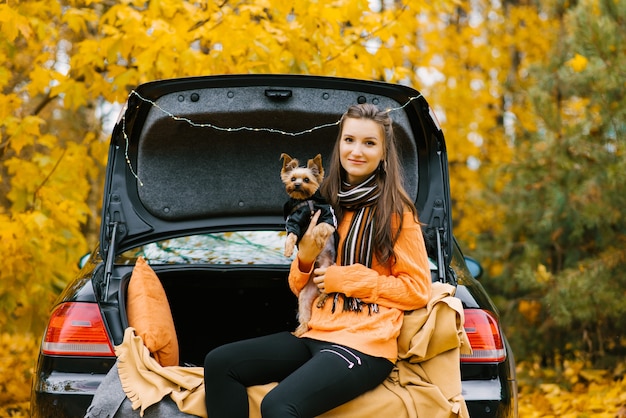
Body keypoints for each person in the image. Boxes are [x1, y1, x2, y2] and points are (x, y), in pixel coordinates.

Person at [203, 103, 432, 418]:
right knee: (220, 363)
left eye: (369, 143)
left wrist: (347, 280)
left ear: (384, 153)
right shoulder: (324, 205)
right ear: (339, 145)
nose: (356, 150)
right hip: (317, 332)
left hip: (364, 345)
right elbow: (300, 287)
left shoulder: (396, 213)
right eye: (349, 140)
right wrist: (306, 259)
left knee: (278, 405)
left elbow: (417, 289)